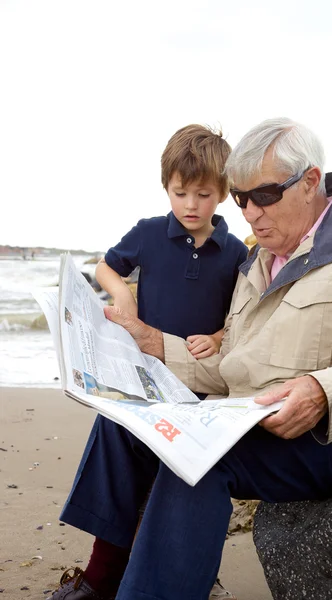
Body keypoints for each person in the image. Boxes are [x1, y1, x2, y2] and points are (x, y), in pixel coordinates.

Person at [50, 118, 332, 600]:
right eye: (240, 199)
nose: (251, 213)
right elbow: (234, 363)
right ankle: (103, 574)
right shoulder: (261, 259)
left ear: (312, 181)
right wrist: (152, 342)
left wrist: (323, 392)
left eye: (265, 195)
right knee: (123, 422)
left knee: (198, 460)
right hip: (251, 415)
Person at [47, 125, 247, 600]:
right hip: (145, 378)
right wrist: (121, 294)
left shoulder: (236, 252)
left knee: (178, 464)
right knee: (112, 429)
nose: (191, 205)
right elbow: (106, 266)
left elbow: (245, 312)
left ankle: (177, 568)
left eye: (203, 194)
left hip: (197, 387)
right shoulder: (150, 233)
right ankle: (103, 570)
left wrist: (218, 337)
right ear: (167, 187)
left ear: (222, 192)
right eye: (181, 193)